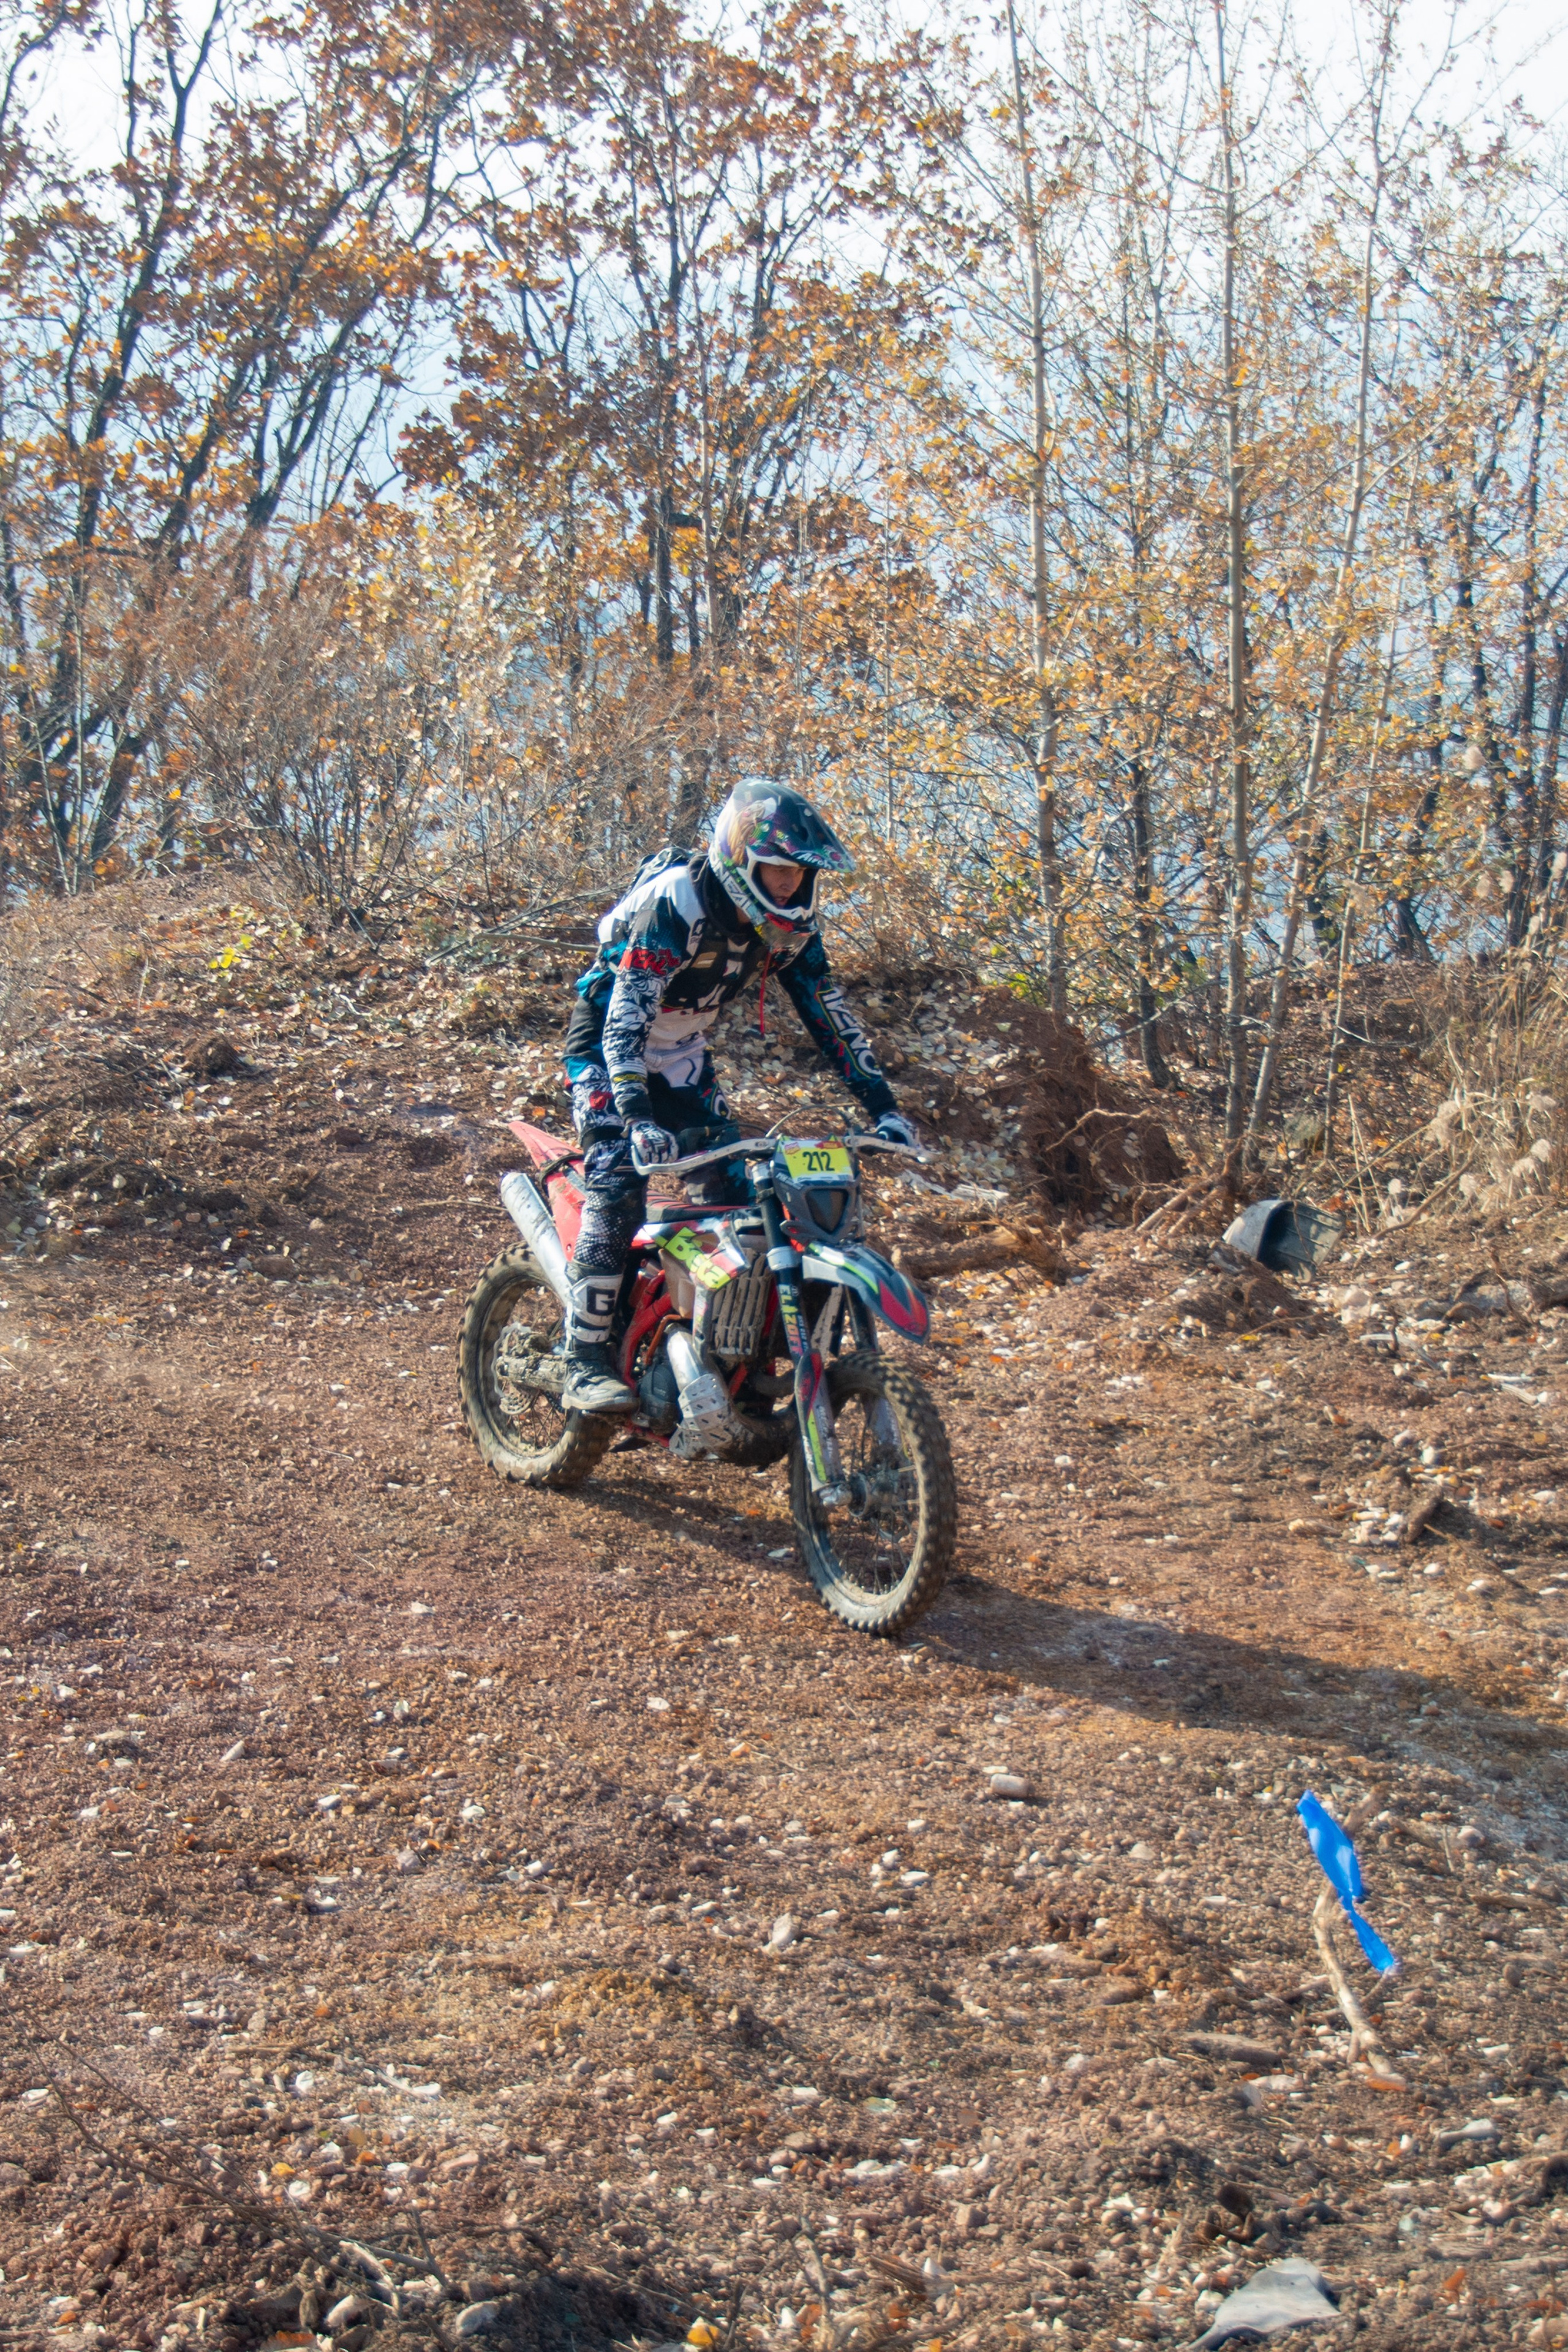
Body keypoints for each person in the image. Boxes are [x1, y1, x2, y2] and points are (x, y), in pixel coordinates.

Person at [557, 777, 917, 1413]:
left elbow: (828, 1014)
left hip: (685, 1058)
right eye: (777, 869)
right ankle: (581, 1358)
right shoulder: (676, 903)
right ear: (740, 857)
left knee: (747, 1200)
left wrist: (883, 1107)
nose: (788, 885)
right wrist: (635, 1116)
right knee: (617, 1180)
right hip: (609, 1056)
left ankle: (733, 1366)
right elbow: (624, 1021)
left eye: (799, 875)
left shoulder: (788, 928)